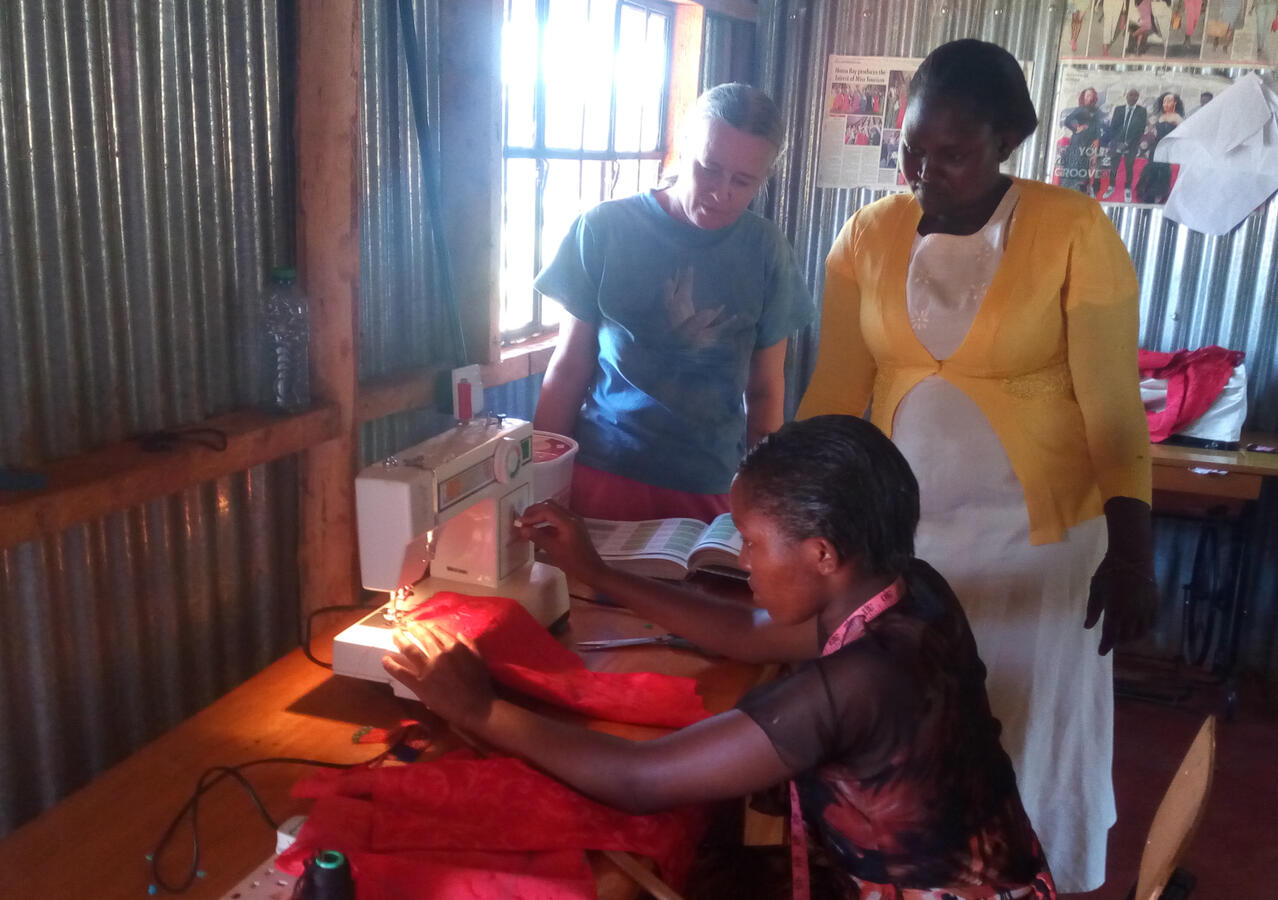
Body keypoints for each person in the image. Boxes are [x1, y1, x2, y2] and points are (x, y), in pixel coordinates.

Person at [383, 415, 1057, 899]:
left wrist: (479, 708)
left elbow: (640, 780)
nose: (742, 558)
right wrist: (599, 573)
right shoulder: (908, 594)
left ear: (822, 554)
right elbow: (749, 634)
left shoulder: (853, 684)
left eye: (753, 542)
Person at [798, 39, 1155, 894]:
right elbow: (835, 392)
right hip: (908, 550)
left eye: (951, 153)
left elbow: (1113, 407)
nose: (923, 171)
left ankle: (1032, 876)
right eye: (912, 148)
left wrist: (1134, 550)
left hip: (1038, 548)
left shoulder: (1073, 230)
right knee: (918, 733)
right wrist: (787, 509)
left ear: (1007, 141)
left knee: (1024, 725)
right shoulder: (868, 235)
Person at [532, 82, 813, 523]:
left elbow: (764, 392)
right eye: (709, 168)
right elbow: (568, 369)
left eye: (743, 181)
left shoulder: (766, 251)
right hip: (604, 472)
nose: (721, 192)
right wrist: (538, 484)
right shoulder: (604, 229)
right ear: (684, 147)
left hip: (712, 486)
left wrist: (766, 503)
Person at [1135, 91, 1184, 204]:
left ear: (1175, 103)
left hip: (1167, 146)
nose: (1166, 103)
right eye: (1165, 101)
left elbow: (1182, 132)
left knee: (1163, 169)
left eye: (1169, 101)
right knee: (1152, 166)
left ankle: (1159, 193)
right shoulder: (1161, 116)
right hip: (1156, 146)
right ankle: (1147, 192)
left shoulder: (1177, 117)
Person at [1060, 87, 1102, 195]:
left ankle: (1084, 190)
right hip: (1078, 142)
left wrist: (1096, 141)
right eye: (1086, 95)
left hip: (1091, 142)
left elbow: (1098, 128)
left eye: (1090, 95)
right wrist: (1077, 129)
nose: (1088, 98)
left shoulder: (1097, 111)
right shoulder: (1080, 109)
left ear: (1094, 97)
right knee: (1074, 166)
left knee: (1088, 167)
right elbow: (1067, 120)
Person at [1107, 88, 1147, 202]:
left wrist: (1127, 143)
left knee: (1129, 167)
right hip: (1117, 142)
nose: (1133, 98)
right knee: (1113, 165)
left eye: (1136, 96)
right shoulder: (1119, 109)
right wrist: (1118, 142)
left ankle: (1127, 188)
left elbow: (1140, 129)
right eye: (1131, 95)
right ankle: (1111, 186)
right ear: (1126, 96)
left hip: (1131, 144)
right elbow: (1113, 127)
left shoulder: (1141, 111)